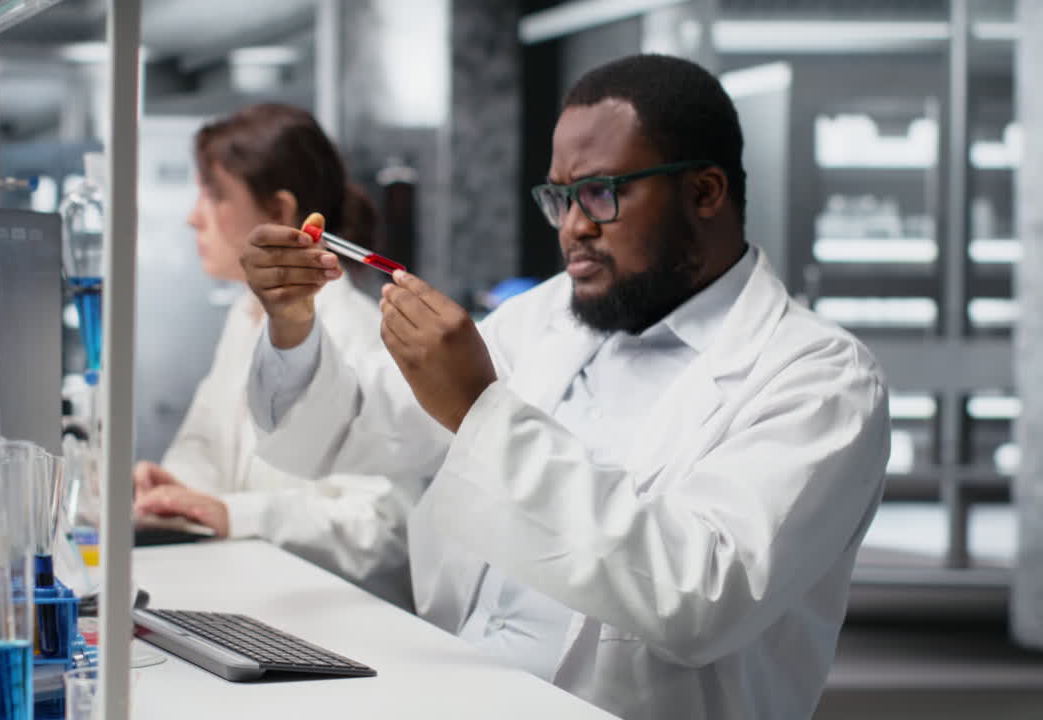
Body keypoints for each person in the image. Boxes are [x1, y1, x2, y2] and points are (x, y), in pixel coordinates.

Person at [239, 56, 890, 719]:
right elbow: (346, 428)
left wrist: (477, 409)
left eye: (601, 192)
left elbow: (700, 598)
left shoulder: (821, 379)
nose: (572, 226)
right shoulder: (543, 317)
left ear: (705, 192)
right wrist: (292, 325)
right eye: (559, 197)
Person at [132, 103, 418, 609]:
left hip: (345, 627)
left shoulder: (361, 336)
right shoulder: (244, 319)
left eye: (214, 194)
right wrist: (178, 491)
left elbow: (380, 529)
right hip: (254, 604)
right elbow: (205, 445)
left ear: (282, 216)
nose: (192, 216)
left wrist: (231, 514)